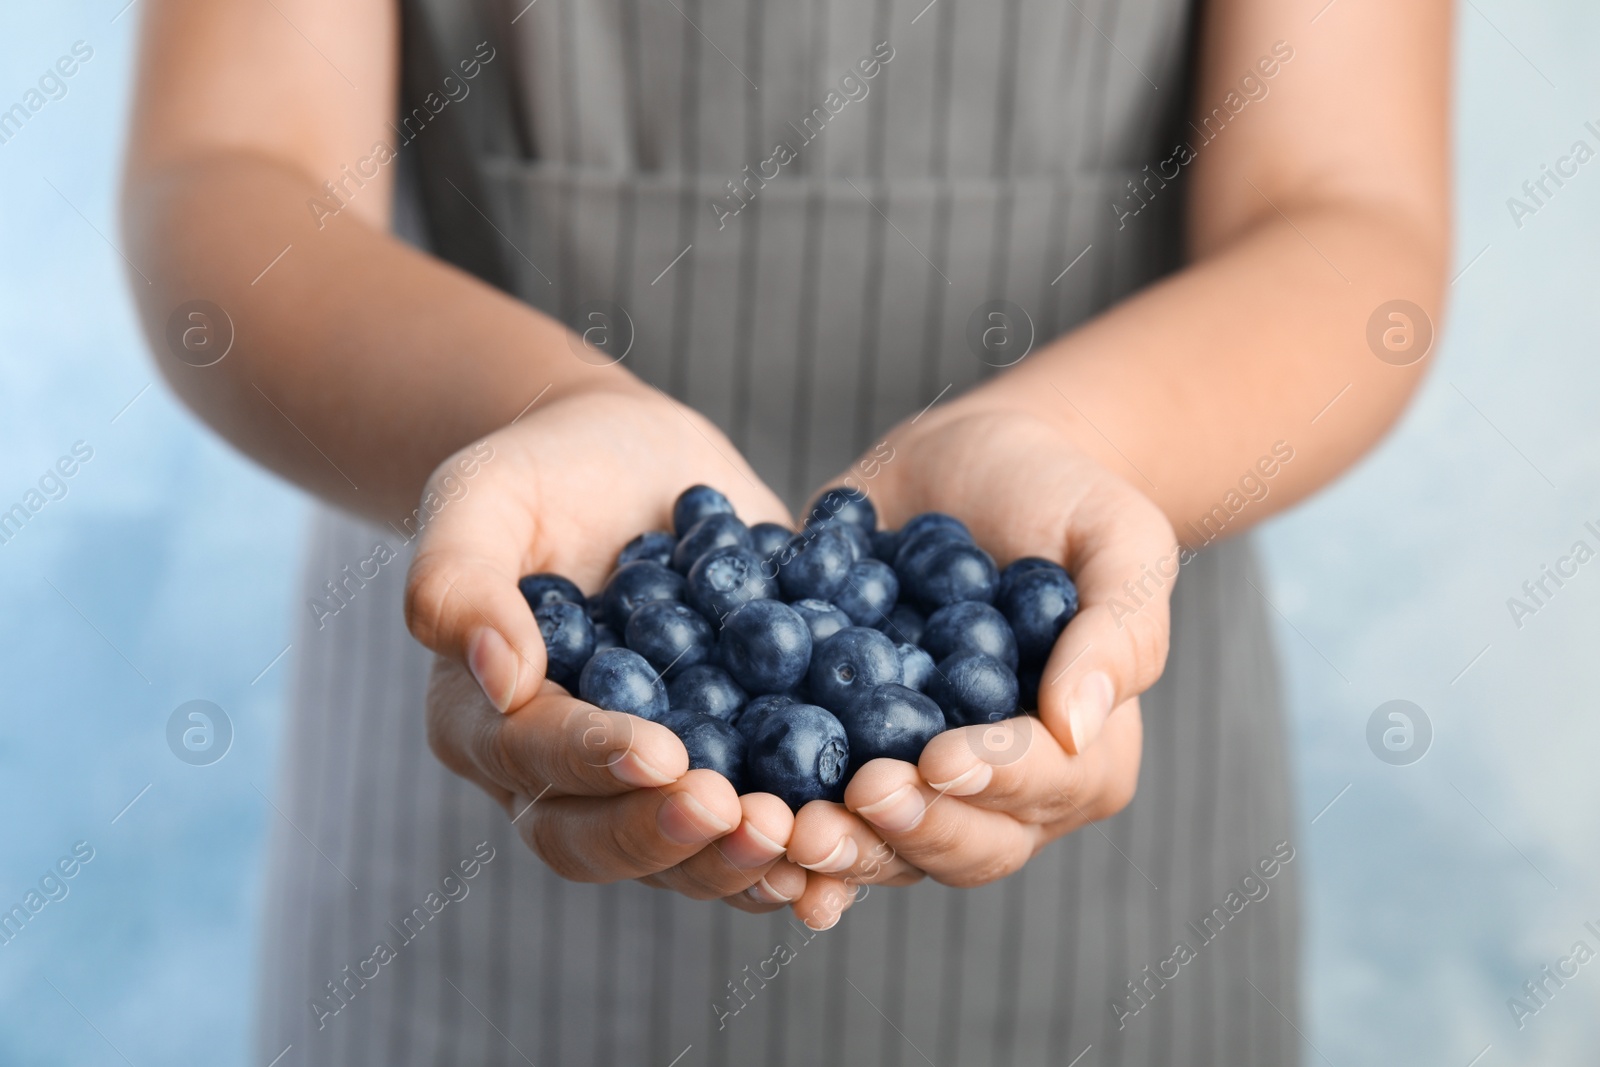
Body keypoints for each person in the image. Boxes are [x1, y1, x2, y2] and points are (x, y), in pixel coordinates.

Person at [121, 0, 1449, 1062]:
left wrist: (1078, 452)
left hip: (1109, 810)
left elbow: (1349, 213)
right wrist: (543, 407)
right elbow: (228, 170)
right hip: (493, 730)